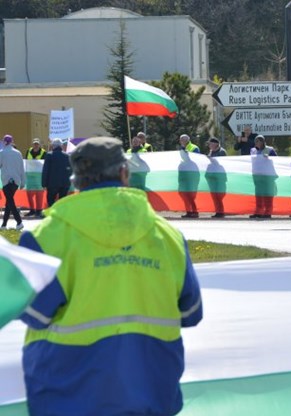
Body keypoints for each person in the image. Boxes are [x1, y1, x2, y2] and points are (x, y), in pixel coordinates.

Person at [18, 137, 202, 415]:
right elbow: (191, 312)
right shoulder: (169, 236)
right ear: (124, 173)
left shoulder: (44, 237)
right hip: (152, 396)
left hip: (66, 396)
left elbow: (35, 314)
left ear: (76, 181)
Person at [0, 135, 26, 231]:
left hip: (6, 180)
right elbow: (21, 169)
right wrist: (23, 182)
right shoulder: (18, 153)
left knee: (10, 201)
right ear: (12, 141)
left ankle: (19, 222)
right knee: (9, 201)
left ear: (4, 142)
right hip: (16, 181)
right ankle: (4, 225)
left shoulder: (2, 153)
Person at [250, 135, 277, 218]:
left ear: (263, 142)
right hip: (257, 175)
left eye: (260, 141)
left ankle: (268, 211)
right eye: (256, 141)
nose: (258, 143)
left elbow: (276, 160)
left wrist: (269, 158)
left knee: (268, 194)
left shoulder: (269, 150)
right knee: (258, 194)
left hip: (267, 175)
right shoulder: (253, 150)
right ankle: (259, 211)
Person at [42, 138, 72, 208]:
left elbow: (46, 170)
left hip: (52, 183)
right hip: (65, 183)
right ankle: (62, 216)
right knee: (62, 202)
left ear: (53, 146)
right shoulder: (67, 156)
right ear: (61, 146)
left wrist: (44, 183)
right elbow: (70, 170)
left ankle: (53, 215)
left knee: (51, 201)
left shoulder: (49, 155)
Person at [25, 138, 46, 217]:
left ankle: (39, 210)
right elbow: (26, 161)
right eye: (34, 144)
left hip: (39, 176)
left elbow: (45, 164)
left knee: (39, 194)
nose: (36, 145)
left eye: (37, 144)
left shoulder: (44, 152)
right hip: (30, 175)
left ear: (39, 145)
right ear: (32, 144)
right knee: (29, 194)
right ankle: (32, 210)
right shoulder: (28, 151)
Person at [206, 137, 227, 218]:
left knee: (219, 194)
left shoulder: (222, 152)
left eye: (210, 143)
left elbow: (223, 163)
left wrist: (212, 160)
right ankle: (218, 211)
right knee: (214, 194)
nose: (209, 145)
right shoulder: (211, 152)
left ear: (215, 144)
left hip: (220, 177)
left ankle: (221, 211)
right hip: (212, 176)